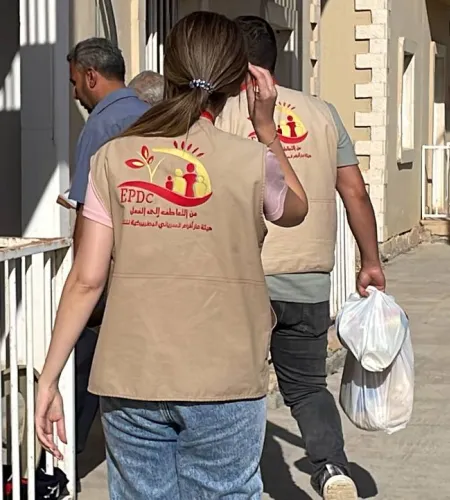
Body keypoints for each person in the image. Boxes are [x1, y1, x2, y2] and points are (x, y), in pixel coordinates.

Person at [35, 11, 309, 500]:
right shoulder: (252, 161)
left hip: (133, 372)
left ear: (169, 71)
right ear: (239, 83)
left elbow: (86, 279)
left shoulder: (112, 158)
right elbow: (296, 209)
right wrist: (266, 129)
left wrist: (50, 377)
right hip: (225, 374)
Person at [216, 16, 386, 500]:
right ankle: (332, 468)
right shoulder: (323, 112)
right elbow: (354, 192)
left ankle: (238, 479)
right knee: (308, 386)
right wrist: (370, 261)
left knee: (236, 388)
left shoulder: (219, 114)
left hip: (243, 278)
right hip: (308, 275)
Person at [66, 38, 149, 460]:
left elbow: (87, 209)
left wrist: (78, 276)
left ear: (91, 75)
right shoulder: (151, 114)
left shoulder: (101, 124)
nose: (75, 93)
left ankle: (62, 455)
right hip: (152, 260)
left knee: (81, 354)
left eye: (75, 82)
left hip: (113, 263)